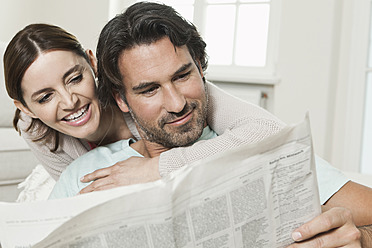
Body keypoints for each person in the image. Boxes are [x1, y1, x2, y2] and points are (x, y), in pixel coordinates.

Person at [55, 2, 371, 246]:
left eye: (182, 76)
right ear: (121, 100)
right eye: (149, 89)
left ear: (201, 68)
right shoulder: (83, 175)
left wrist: (361, 239)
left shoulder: (254, 149)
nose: (177, 103)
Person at [3, 23, 284, 188]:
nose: (69, 101)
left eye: (75, 79)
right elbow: (81, 186)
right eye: (44, 98)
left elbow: (270, 130)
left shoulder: (153, 86)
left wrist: (155, 167)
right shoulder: (33, 127)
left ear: (92, 62)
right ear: (24, 107)